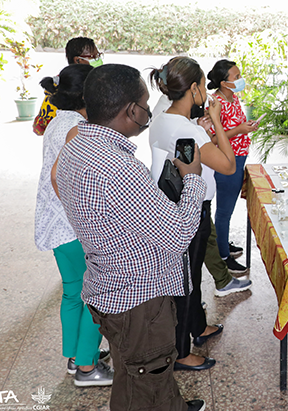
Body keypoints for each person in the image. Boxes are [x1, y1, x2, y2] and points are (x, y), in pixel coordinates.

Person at [55, 63, 207, 411]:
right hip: (138, 301)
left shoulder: (75, 147)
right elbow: (181, 233)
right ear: (132, 111)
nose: (149, 111)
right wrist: (193, 177)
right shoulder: (118, 168)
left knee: (135, 370)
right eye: (145, 103)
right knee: (147, 377)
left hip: (106, 283)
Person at [147, 56, 235, 371]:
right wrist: (217, 123)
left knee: (191, 275)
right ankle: (181, 351)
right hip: (188, 211)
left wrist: (201, 131)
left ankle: (198, 327)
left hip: (170, 206)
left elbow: (187, 159)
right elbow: (227, 164)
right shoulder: (187, 132)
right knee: (187, 279)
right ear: (196, 89)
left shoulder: (163, 118)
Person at [35, 64, 113, 387]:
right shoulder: (79, 127)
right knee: (97, 293)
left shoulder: (58, 120)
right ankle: (86, 368)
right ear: (87, 95)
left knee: (72, 292)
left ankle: (75, 356)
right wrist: (81, 214)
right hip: (71, 227)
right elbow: (58, 175)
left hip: (53, 225)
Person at [205, 59, 257, 284]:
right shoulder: (215, 103)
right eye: (236, 77)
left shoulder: (232, 97)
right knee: (224, 211)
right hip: (227, 160)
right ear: (224, 83)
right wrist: (239, 130)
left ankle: (224, 244)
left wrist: (246, 127)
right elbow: (213, 139)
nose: (240, 79)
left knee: (229, 207)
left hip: (239, 156)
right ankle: (224, 257)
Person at [32, 37, 103, 135]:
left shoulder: (99, 80)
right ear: (78, 60)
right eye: (94, 56)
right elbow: (40, 127)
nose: (98, 59)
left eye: (99, 55)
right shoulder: (60, 85)